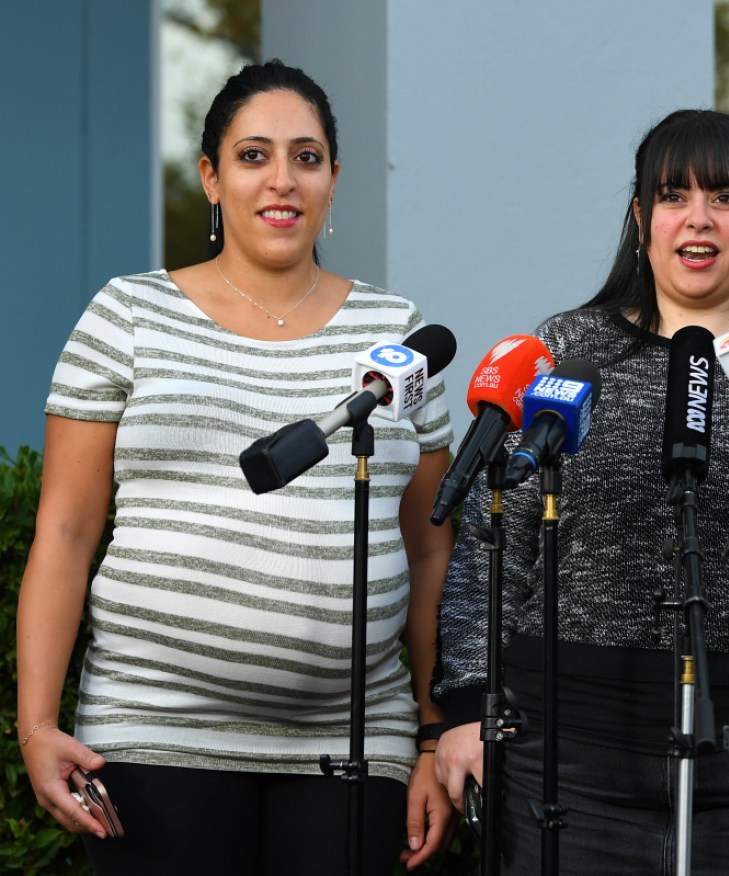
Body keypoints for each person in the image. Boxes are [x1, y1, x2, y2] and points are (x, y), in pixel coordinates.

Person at [432, 108, 729, 874]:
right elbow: (491, 550)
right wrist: (463, 708)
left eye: (723, 198)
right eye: (672, 196)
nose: (698, 219)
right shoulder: (569, 349)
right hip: (572, 750)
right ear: (640, 218)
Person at [16, 60, 456, 875]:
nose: (281, 180)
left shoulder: (395, 332)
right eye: (253, 156)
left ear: (332, 181)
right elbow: (67, 529)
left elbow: (432, 549)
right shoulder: (129, 315)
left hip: (353, 743)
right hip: (152, 732)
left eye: (307, 156)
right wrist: (37, 726)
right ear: (211, 178)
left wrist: (434, 732)